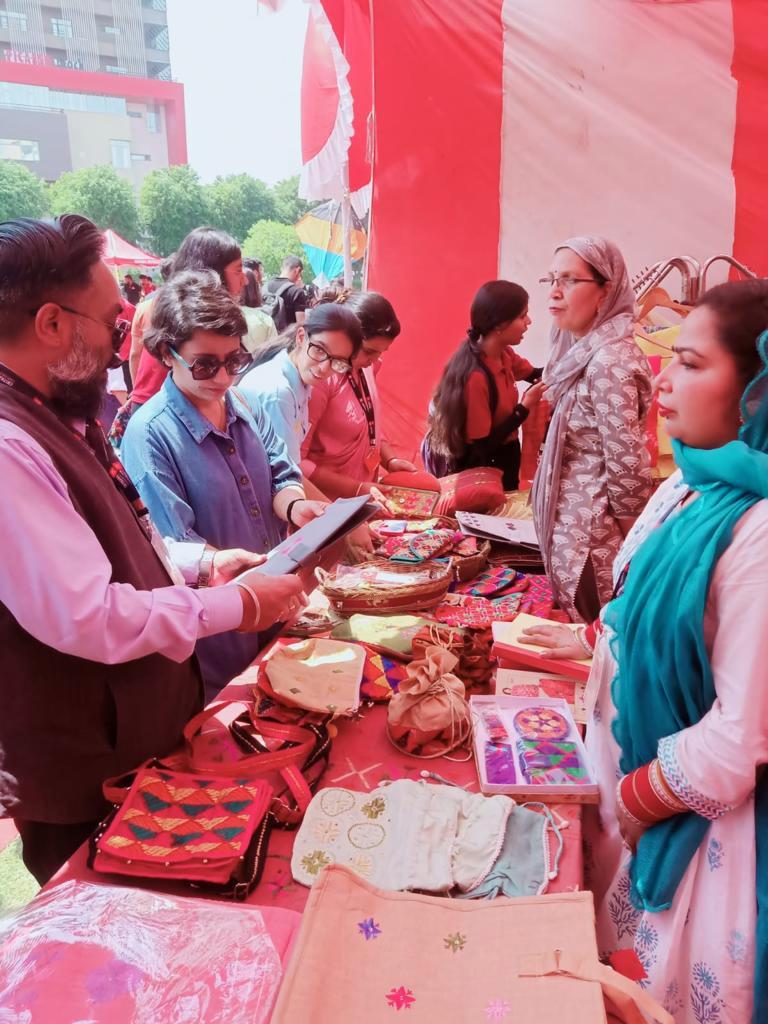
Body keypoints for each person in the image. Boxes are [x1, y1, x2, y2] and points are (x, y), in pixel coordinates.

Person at [0, 216, 307, 884]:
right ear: (52, 323)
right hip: (83, 769)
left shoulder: (54, 413)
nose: (120, 352)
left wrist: (200, 565)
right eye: (114, 327)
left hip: (136, 736)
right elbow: (90, 615)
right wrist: (231, 605)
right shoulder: (9, 445)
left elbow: (112, 539)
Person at [521, 279, 768, 1023]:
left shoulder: (757, 532)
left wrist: (634, 800)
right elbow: (637, 622)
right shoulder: (692, 483)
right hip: (631, 797)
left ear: (758, 392)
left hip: (697, 838)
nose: (661, 380)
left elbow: (741, 734)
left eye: (692, 365)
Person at [120, 270, 326, 701]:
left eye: (234, 361)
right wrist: (238, 579)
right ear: (165, 353)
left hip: (271, 608)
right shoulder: (150, 435)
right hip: (215, 638)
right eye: (205, 364)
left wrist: (294, 508)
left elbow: (281, 471)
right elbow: (173, 550)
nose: (223, 376)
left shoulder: (242, 403)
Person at [531, 236, 653, 622]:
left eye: (569, 280)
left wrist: (636, 547)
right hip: (575, 536)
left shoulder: (609, 361)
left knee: (596, 652)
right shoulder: (580, 352)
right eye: (551, 279)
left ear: (606, 291)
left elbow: (627, 466)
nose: (555, 291)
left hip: (594, 542)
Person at [118, 228, 251, 446]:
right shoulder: (176, 312)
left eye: (234, 361)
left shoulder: (158, 304)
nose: (245, 280)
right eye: (237, 270)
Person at [422, 280, 546, 488]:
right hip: (485, 468)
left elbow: (536, 374)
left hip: (506, 459)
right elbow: (482, 446)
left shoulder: (504, 354)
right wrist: (523, 409)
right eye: (522, 316)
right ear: (499, 325)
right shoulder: (476, 377)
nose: (529, 322)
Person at [302, 291, 419, 498]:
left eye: (382, 352)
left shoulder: (366, 368)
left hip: (361, 500)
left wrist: (390, 460)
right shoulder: (322, 380)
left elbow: (368, 424)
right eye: (369, 351)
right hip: (326, 506)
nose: (375, 359)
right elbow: (298, 463)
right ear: (348, 337)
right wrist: (355, 488)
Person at [238, 302, 362, 468]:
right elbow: (285, 474)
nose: (324, 368)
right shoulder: (278, 392)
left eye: (338, 361)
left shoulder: (300, 382)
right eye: (319, 350)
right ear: (301, 337)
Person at [265, 255, 308, 330]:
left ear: (282, 268)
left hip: (266, 337)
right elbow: (301, 325)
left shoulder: (264, 287)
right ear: (297, 270)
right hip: (286, 339)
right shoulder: (297, 292)